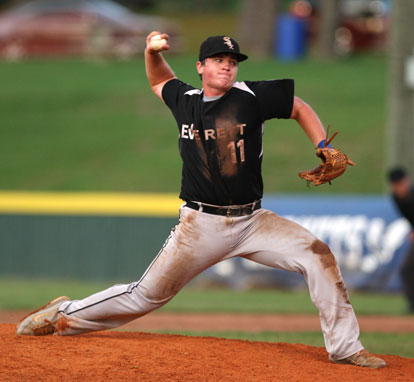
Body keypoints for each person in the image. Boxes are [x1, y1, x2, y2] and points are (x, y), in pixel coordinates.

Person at [16, 32, 386, 369]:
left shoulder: (251, 96)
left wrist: (323, 145)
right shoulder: (186, 101)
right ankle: (62, 314)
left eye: (232, 60)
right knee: (144, 297)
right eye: (219, 59)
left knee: (317, 254)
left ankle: (345, 347)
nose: (227, 64)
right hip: (200, 225)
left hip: (253, 222)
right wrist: (149, 51)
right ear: (201, 67)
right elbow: (159, 80)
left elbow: (299, 106)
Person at [388, 167, 414, 314]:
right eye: (395, 185)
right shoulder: (396, 198)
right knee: (407, 268)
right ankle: (412, 304)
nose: (399, 188)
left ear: (407, 181)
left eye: (401, 183)